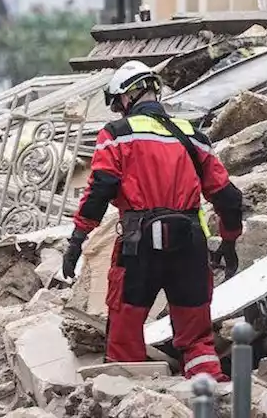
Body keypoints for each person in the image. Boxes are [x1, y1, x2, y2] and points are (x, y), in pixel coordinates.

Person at [61, 61, 243, 382]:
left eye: (118, 104)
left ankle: (129, 396)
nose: (118, 111)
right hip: (190, 245)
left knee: (126, 331)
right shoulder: (192, 136)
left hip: (138, 245)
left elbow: (101, 188)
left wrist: (77, 238)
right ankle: (210, 392)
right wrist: (229, 240)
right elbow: (228, 196)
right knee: (197, 336)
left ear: (128, 97)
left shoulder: (116, 135)